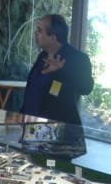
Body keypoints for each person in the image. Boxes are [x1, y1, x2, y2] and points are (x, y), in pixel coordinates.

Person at [21, 14, 94, 156]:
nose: (35, 33)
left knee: (53, 169)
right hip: (33, 128)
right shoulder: (42, 56)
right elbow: (33, 90)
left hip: (59, 134)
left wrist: (62, 70)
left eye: (40, 30)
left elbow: (86, 87)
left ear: (53, 37)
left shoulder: (78, 58)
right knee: (31, 166)